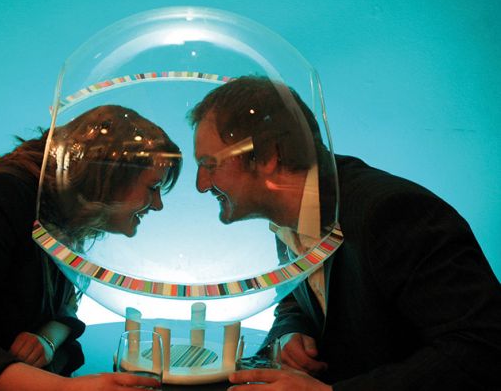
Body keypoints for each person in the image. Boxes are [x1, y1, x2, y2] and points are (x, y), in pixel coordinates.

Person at [190, 76, 501, 390]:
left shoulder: (393, 213)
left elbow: (482, 349)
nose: (201, 184)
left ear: (269, 156)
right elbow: (297, 301)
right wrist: (290, 334)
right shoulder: (287, 211)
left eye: (210, 164)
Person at [0, 105, 182, 391]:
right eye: (153, 187)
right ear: (110, 175)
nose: (158, 205)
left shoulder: (64, 213)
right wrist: (67, 388)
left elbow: (65, 308)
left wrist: (46, 339)